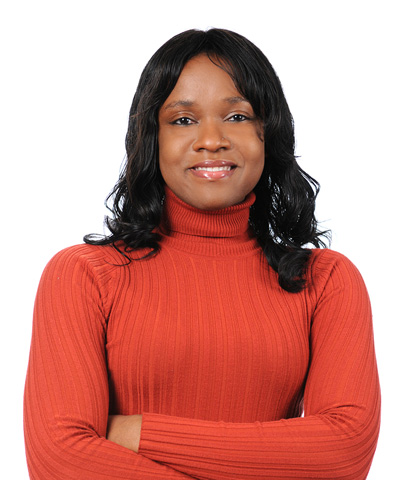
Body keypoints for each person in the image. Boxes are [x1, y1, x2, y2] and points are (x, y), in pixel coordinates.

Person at [24, 28, 380, 479]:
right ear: (151, 138)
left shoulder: (325, 281)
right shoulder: (83, 276)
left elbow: (343, 451)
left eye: (237, 116)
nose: (211, 140)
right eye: (183, 120)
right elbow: (59, 459)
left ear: (269, 133)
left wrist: (136, 432)